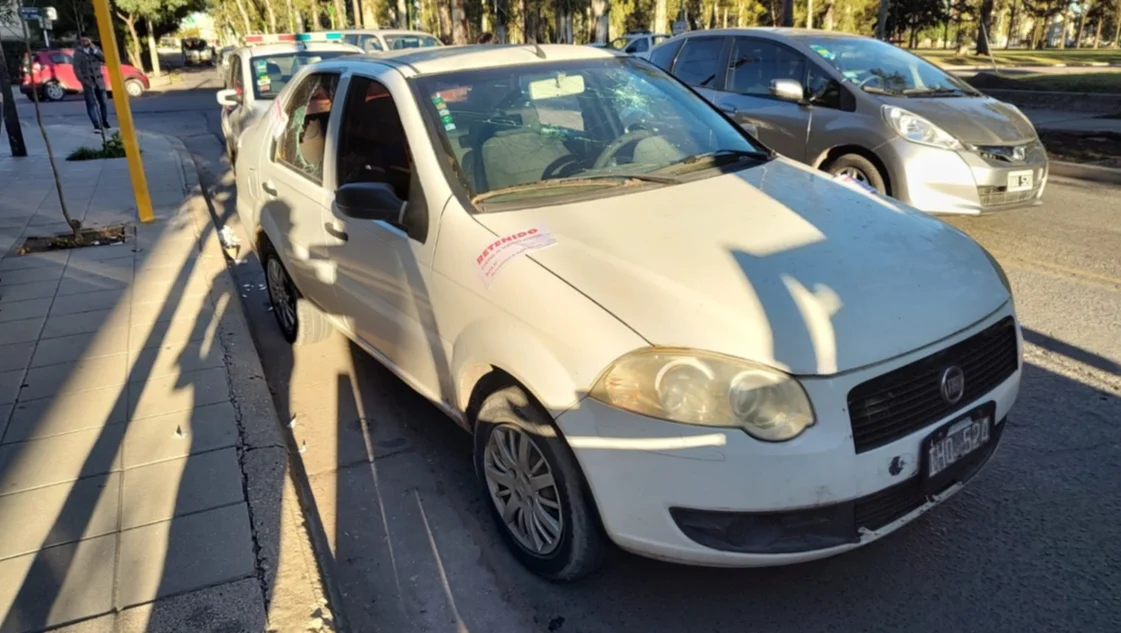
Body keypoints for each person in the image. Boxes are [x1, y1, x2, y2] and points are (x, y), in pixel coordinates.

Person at [74, 34, 110, 131]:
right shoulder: (78, 53)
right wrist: (83, 81)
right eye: (83, 40)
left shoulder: (95, 50)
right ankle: (96, 124)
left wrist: (95, 50)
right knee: (91, 104)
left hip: (99, 81)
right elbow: (76, 69)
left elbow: (104, 59)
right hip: (88, 82)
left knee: (103, 102)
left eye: (87, 40)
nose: (85, 42)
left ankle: (104, 121)